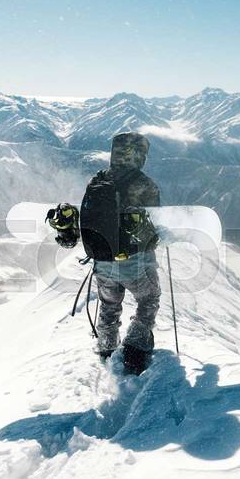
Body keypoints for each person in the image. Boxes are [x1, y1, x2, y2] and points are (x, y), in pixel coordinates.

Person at [90, 132, 161, 375]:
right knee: (148, 299)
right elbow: (155, 223)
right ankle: (135, 351)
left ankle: (106, 347)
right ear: (139, 154)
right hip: (135, 260)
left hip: (102, 260)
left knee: (109, 304)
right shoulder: (145, 185)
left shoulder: (98, 180)